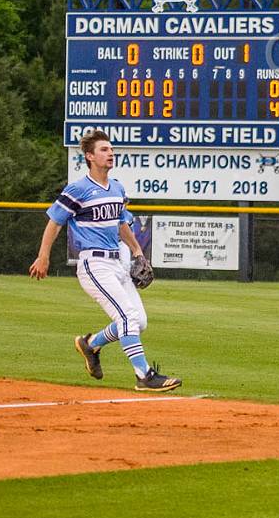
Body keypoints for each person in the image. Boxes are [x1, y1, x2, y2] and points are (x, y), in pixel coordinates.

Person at [29, 129, 181, 392]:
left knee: (138, 322)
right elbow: (54, 222)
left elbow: (122, 223)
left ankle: (91, 344)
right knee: (127, 318)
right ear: (89, 156)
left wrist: (137, 251)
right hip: (93, 264)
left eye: (110, 149)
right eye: (103, 149)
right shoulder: (78, 189)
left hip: (117, 264)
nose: (110, 153)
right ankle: (144, 375)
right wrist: (43, 256)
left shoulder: (117, 187)